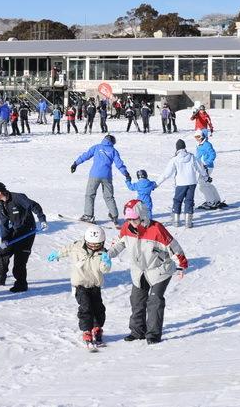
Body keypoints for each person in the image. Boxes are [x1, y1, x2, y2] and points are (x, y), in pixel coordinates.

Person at [109, 199, 188, 345]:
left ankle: (153, 334)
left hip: (160, 270)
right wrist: (108, 254)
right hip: (139, 271)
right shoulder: (126, 228)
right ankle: (137, 331)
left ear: (143, 216)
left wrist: (180, 266)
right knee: (137, 300)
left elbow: (174, 248)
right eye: (129, 219)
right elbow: (119, 243)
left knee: (154, 300)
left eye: (134, 219)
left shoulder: (157, 229)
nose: (132, 222)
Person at [47, 225, 112, 348]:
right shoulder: (77, 247)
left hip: (95, 285)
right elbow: (67, 249)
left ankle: (97, 328)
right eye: (91, 244)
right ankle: (86, 330)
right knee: (86, 307)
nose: (94, 246)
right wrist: (57, 254)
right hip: (80, 285)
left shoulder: (103, 253)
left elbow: (105, 269)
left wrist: (106, 261)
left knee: (98, 308)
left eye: (97, 244)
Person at [0, 182, 48, 293]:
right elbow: (3, 223)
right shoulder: (0, 204)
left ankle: (21, 284)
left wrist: (42, 219)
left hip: (27, 232)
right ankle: (0, 277)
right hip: (15, 231)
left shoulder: (18, 198)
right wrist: (4, 240)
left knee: (20, 259)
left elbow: (35, 206)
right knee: (3, 253)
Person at [71, 134, 131, 224]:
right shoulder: (113, 151)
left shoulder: (96, 147)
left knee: (90, 195)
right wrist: (125, 173)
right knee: (109, 196)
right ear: (112, 142)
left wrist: (75, 163)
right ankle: (114, 215)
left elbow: (86, 156)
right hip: (107, 176)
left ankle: (88, 215)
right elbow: (119, 164)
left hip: (94, 175)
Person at [155, 138, 209, 228]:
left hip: (181, 184)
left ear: (177, 148)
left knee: (177, 200)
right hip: (192, 183)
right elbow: (200, 168)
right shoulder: (192, 157)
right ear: (184, 147)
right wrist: (206, 177)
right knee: (189, 201)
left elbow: (166, 174)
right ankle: (188, 222)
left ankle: (176, 221)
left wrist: (157, 183)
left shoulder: (174, 159)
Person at [194, 130, 226, 210]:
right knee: (207, 183)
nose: (197, 138)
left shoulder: (206, 144)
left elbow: (213, 154)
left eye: (198, 137)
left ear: (202, 136)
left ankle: (211, 202)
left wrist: (206, 163)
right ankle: (216, 200)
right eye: (195, 137)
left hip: (206, 167)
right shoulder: (200, 145)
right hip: (203, 167)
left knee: (202, 185)